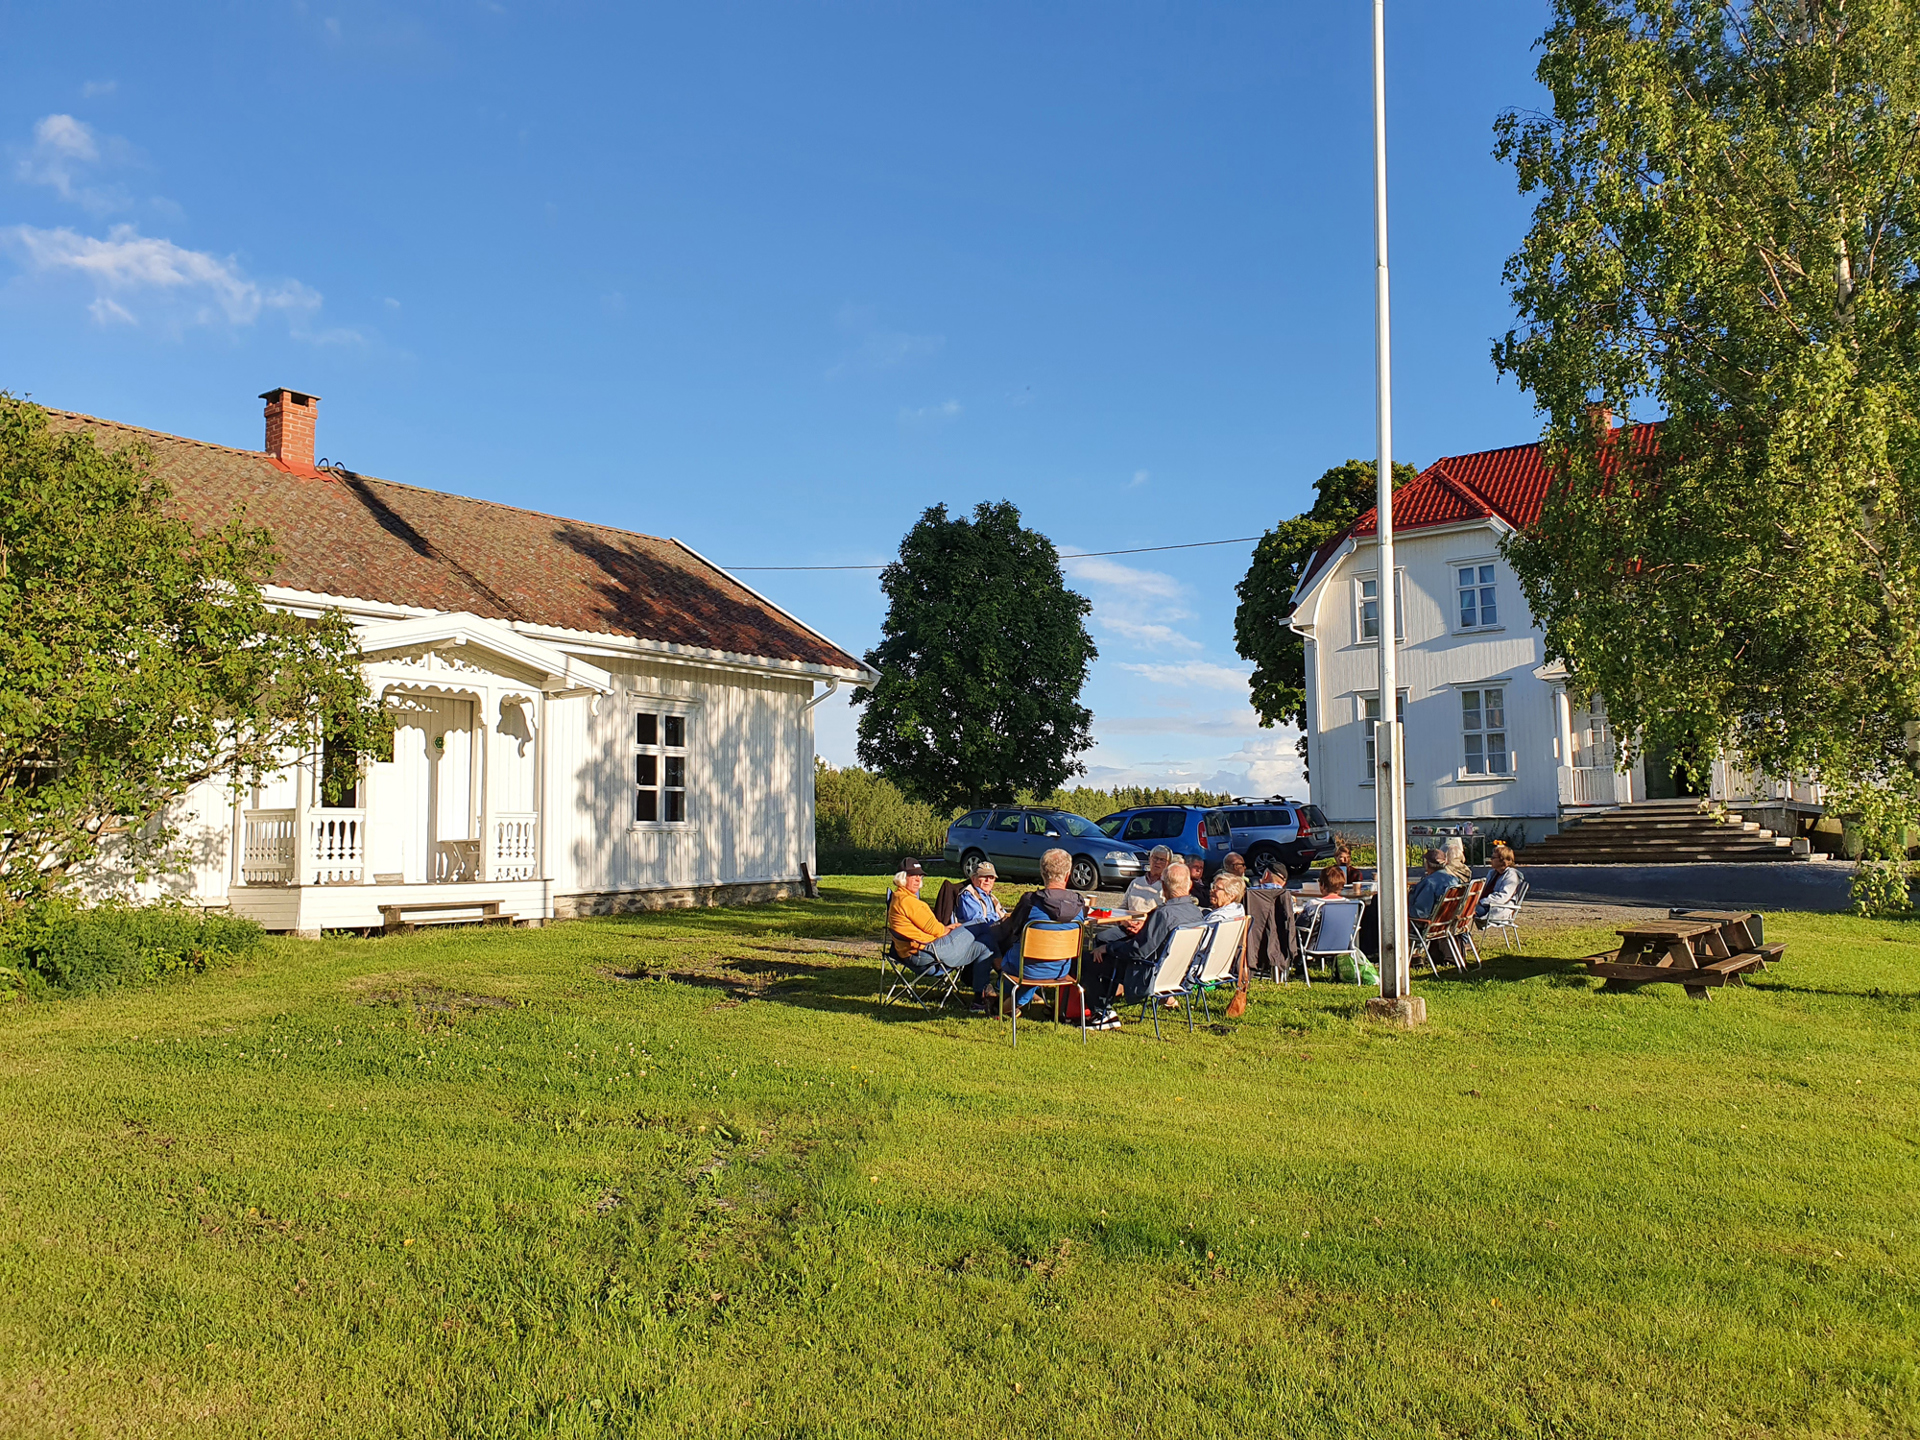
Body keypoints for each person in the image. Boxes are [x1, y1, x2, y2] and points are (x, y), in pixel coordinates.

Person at [1083, 862, 1204, 1030]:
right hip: (1177, 974)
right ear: (1189, 885)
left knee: (1089, 960)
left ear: (1163, 885)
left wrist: (1109, 948)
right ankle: (1104, 1006)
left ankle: (1102, 1013)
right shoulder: (1195, 912)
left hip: (1148, 974)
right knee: (1106, 942)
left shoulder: (1164, 914)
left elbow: (1138, 950)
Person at [982, 847, 1086, 1009]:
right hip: (1062, 969)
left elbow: (1014, 929)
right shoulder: (1079, 906)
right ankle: (1009, 1004)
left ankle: (1003, 1005)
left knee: (1005, 950)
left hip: (1027, 968)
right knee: (1026, 959)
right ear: (1068, 874)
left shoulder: (1030, 902)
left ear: (1042, 873)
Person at [886, 859, 996, 979]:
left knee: (985, 945)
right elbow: (937, 930)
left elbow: (933, 928)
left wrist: (948, 928)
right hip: (925, 952)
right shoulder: (908, 902)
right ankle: (1004, 976)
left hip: (914, 951)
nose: (918, 880)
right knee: (980, 923)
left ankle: (982, 993)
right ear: (902, 878)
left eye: (920, 876)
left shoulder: (898, 898)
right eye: (913, 876)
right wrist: (952, 930)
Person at [953, 860, 1006, 943]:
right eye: (984, 876)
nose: (988, 880)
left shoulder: (991, 897)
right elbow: (977, 923)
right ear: (973, 878)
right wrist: (999, 920)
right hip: (975, 940)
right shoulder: (968, 896)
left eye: (991, 877)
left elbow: (1003, 914)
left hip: (993, 934)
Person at [1477, 842, 1522, 924]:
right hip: (1484, 905)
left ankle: (1462, 936)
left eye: (1493, 857)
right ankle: (1460, 936)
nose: (1491, 860)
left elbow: (1503, 897)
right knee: (1459, 911)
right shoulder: (1492, 873)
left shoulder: (1511, 876)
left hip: (1496, 908)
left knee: (1464, 913)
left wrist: (1482, 901)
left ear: (1503, 860)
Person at [1408, 848, 1459, 921]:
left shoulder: (1430, 883)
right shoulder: (1454, 880)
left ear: (1428, 864)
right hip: (1444, 923)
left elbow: (1420, 913)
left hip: (1424, 925)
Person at [1121, 846, 1173, 916]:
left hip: (1153, 924)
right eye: (1155, 858)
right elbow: (1124, 907)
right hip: (1130, 922)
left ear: (1168, 864)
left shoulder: (1168, 885)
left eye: (1162, 860)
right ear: (1149, 860)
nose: (1157, 862)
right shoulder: (1136, 882)